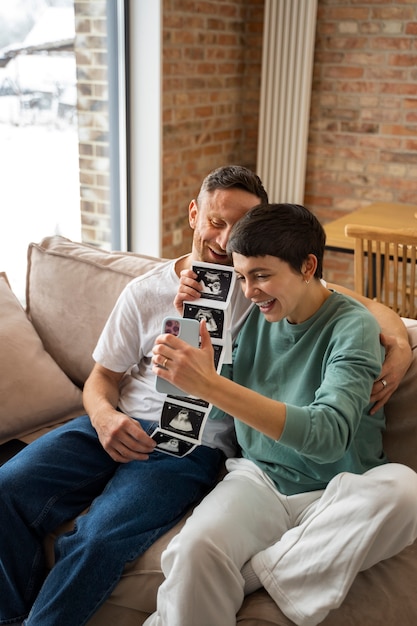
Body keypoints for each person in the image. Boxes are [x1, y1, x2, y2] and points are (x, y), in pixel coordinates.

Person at [0, 166, 410, 626]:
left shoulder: (259, 292)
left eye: (242, 227)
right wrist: (102, 418)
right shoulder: (152, 290)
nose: (226, 238)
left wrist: (397, 339)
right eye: (217, 222)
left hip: (188, 446)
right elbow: (102, 377)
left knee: (98, 537)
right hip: (113, 422)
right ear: (194, 214)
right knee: (6, 486)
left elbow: (341, 299)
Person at [148, 203, 417, 626]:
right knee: (192, 549)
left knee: (405, 490)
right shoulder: (256, 318)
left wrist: (212, 384)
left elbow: (329, 436)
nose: (249, 291)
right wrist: (193, 372)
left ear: (308, 266)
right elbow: (226, 402)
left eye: (261, 275)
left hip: (338, 490)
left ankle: (257, 575)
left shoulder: (353, 327)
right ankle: (271, 570)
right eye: (241, 277)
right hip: (259, 478)